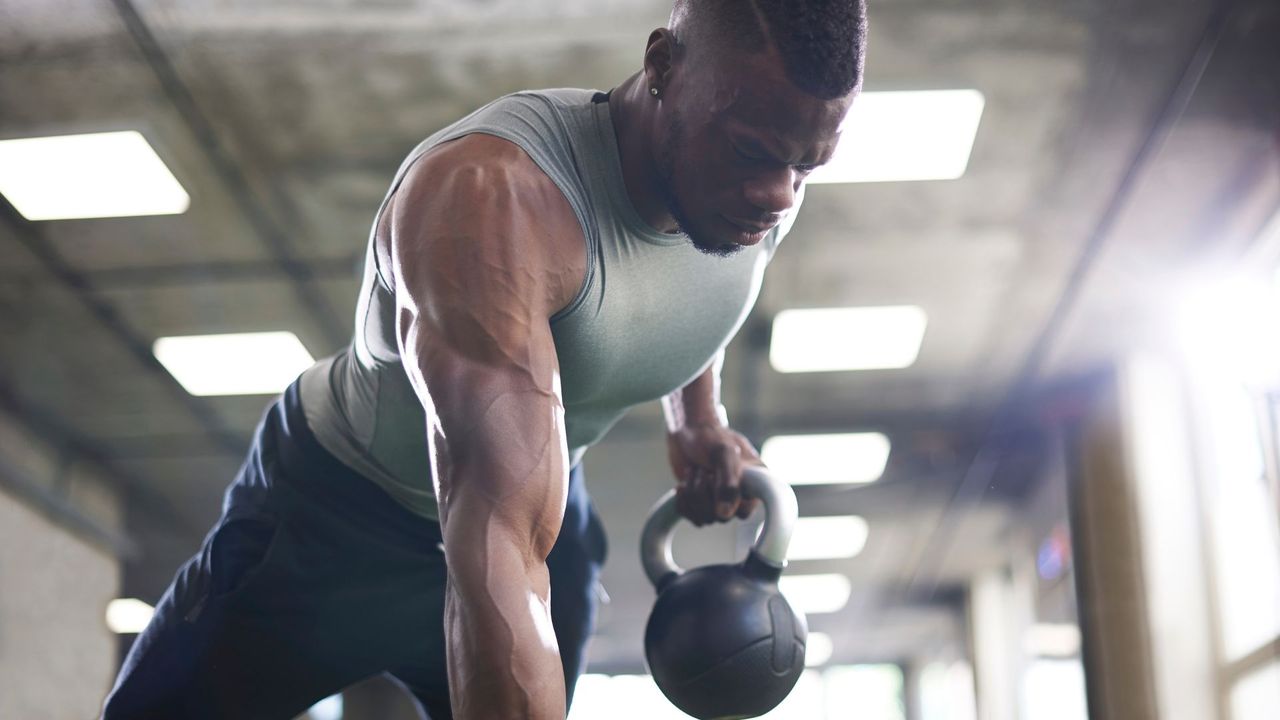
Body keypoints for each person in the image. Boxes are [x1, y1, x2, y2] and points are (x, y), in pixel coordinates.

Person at [101, 1, 867, 718]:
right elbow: (493, 530)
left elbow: (689, 288)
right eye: (752, 153)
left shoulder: (744, 188)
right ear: (663, 66)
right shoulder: (492, 200)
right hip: (339, 519)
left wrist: (698, 417)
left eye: (808, 166)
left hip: (539, 510)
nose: (777, 194)